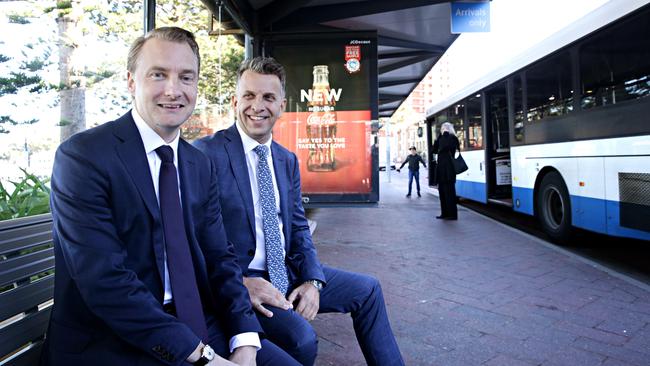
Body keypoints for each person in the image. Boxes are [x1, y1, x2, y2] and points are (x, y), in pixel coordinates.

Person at [41, 27, 300, 366]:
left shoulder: (197, 164)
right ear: (132, 82)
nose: (173, 90)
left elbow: (221, 259)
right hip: (114, 340)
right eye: (158, 74)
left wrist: (245, 342)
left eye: (186, 77)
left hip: (196, 322)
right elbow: (106, 283)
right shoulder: (83, 158)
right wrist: (208, 359)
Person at [194, 56, 404, 366]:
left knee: (368, 290)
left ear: (281, 105)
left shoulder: (286, 159)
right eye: (249, 96)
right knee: (302, 339)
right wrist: (238, 282)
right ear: (234, 101)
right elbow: (194, 235)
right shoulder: (206, 153)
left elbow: (297, 226)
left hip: (287, 271)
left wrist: (313, 281)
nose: (257, 106)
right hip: (244, 279)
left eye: (268, 97)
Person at [432, 122, 460, 220]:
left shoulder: (453, 138)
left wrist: (445, 134)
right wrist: (438, 138)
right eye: (442, 128)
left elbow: (445, 146)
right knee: (442, 193)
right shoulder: (441, 138)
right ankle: (444, 213)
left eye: (444, 128)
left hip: (449, 170)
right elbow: (434, 150)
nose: (442, 130)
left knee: (450, 193)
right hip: (441, 170)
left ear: (448, 129)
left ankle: (452, 214)